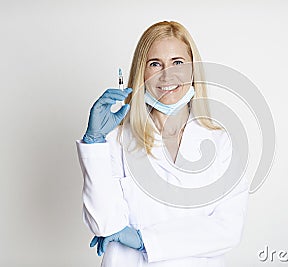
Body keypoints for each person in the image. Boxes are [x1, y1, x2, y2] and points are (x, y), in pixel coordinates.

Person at [76, 21, 250, 267]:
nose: (167, 75)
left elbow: (227, 229)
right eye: (155, 64)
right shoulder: (116, 140)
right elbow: (104, 223)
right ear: (141, 73)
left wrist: (144, 240)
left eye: (177, 63)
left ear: (192, 71)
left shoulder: (221, 143)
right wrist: (94, 143)